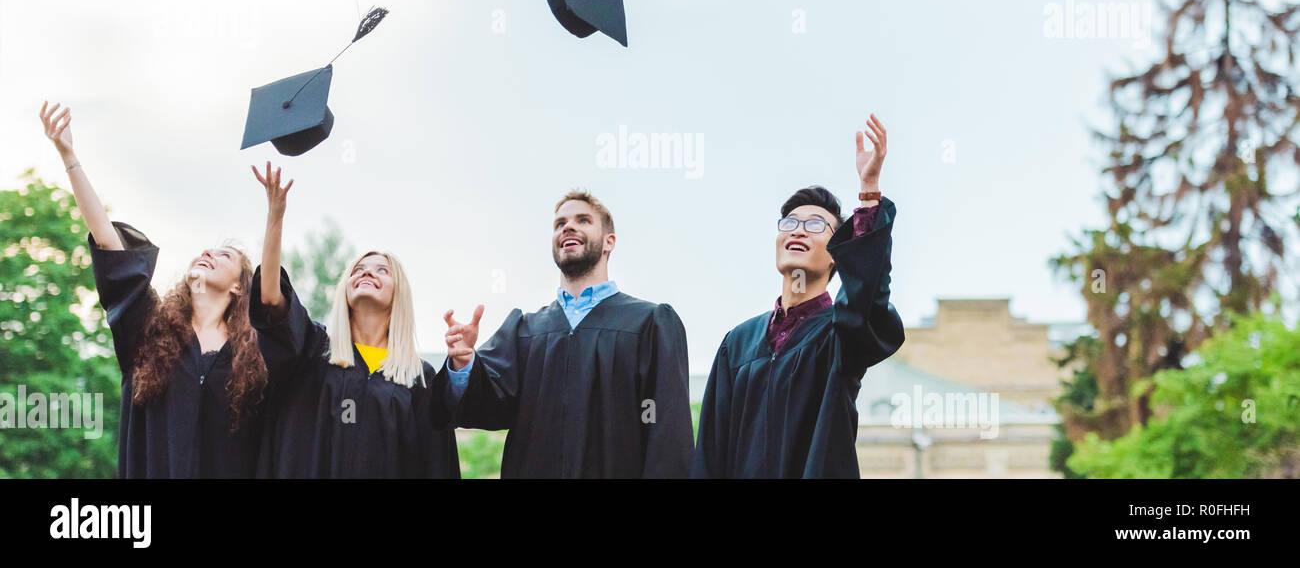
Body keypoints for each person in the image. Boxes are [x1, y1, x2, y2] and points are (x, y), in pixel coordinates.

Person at [39, 101, 270, 477]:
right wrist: (69, 155)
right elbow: (110, 244)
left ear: (239, 288)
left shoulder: (255, 358)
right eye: (206, 250)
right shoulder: (151, 331)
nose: (208, 254)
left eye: (224, 256)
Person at [692, 114, 904, 478]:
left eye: (816, 224)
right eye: (790, 222)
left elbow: (868, 296)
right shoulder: (737, 344)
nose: (799, 229)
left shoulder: (840, 334)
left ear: (839, 252)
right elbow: (710, 454)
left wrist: (869, 191)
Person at [438, 191, 692, 477]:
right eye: (560, 224)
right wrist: (464, 363)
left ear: (610, 241)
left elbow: (668, 430)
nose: (568, 227)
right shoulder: (525, 330)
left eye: (583, 220)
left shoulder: (649, 324)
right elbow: (488, 406)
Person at [249, 163, 459, 478]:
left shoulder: (418, 378)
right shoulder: (314, 351)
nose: (367, 272)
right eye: (358, 270)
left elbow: (435, 467)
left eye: (381, 270)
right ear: (344, 290)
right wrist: (275, 217)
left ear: (398, 295)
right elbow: (270, 299)